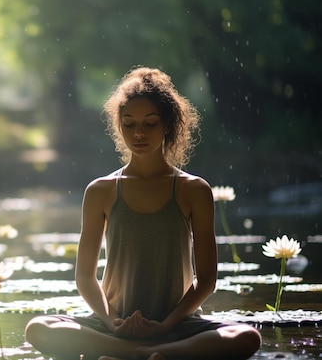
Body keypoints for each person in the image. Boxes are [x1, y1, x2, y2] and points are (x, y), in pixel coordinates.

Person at [24, 66, 261, 360]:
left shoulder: (195, 190)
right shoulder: (101, 190)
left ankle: (146, 351)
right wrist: (114, 321)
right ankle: (143, 353)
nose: (138, 133)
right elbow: (85, 277)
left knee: (247, 336)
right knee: (39, 327)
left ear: (168, 126)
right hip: (114, 324)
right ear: (118, 127)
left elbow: (206, 280)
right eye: (129, 123)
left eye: (150, 123)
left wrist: (165, 325)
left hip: (177, 325)